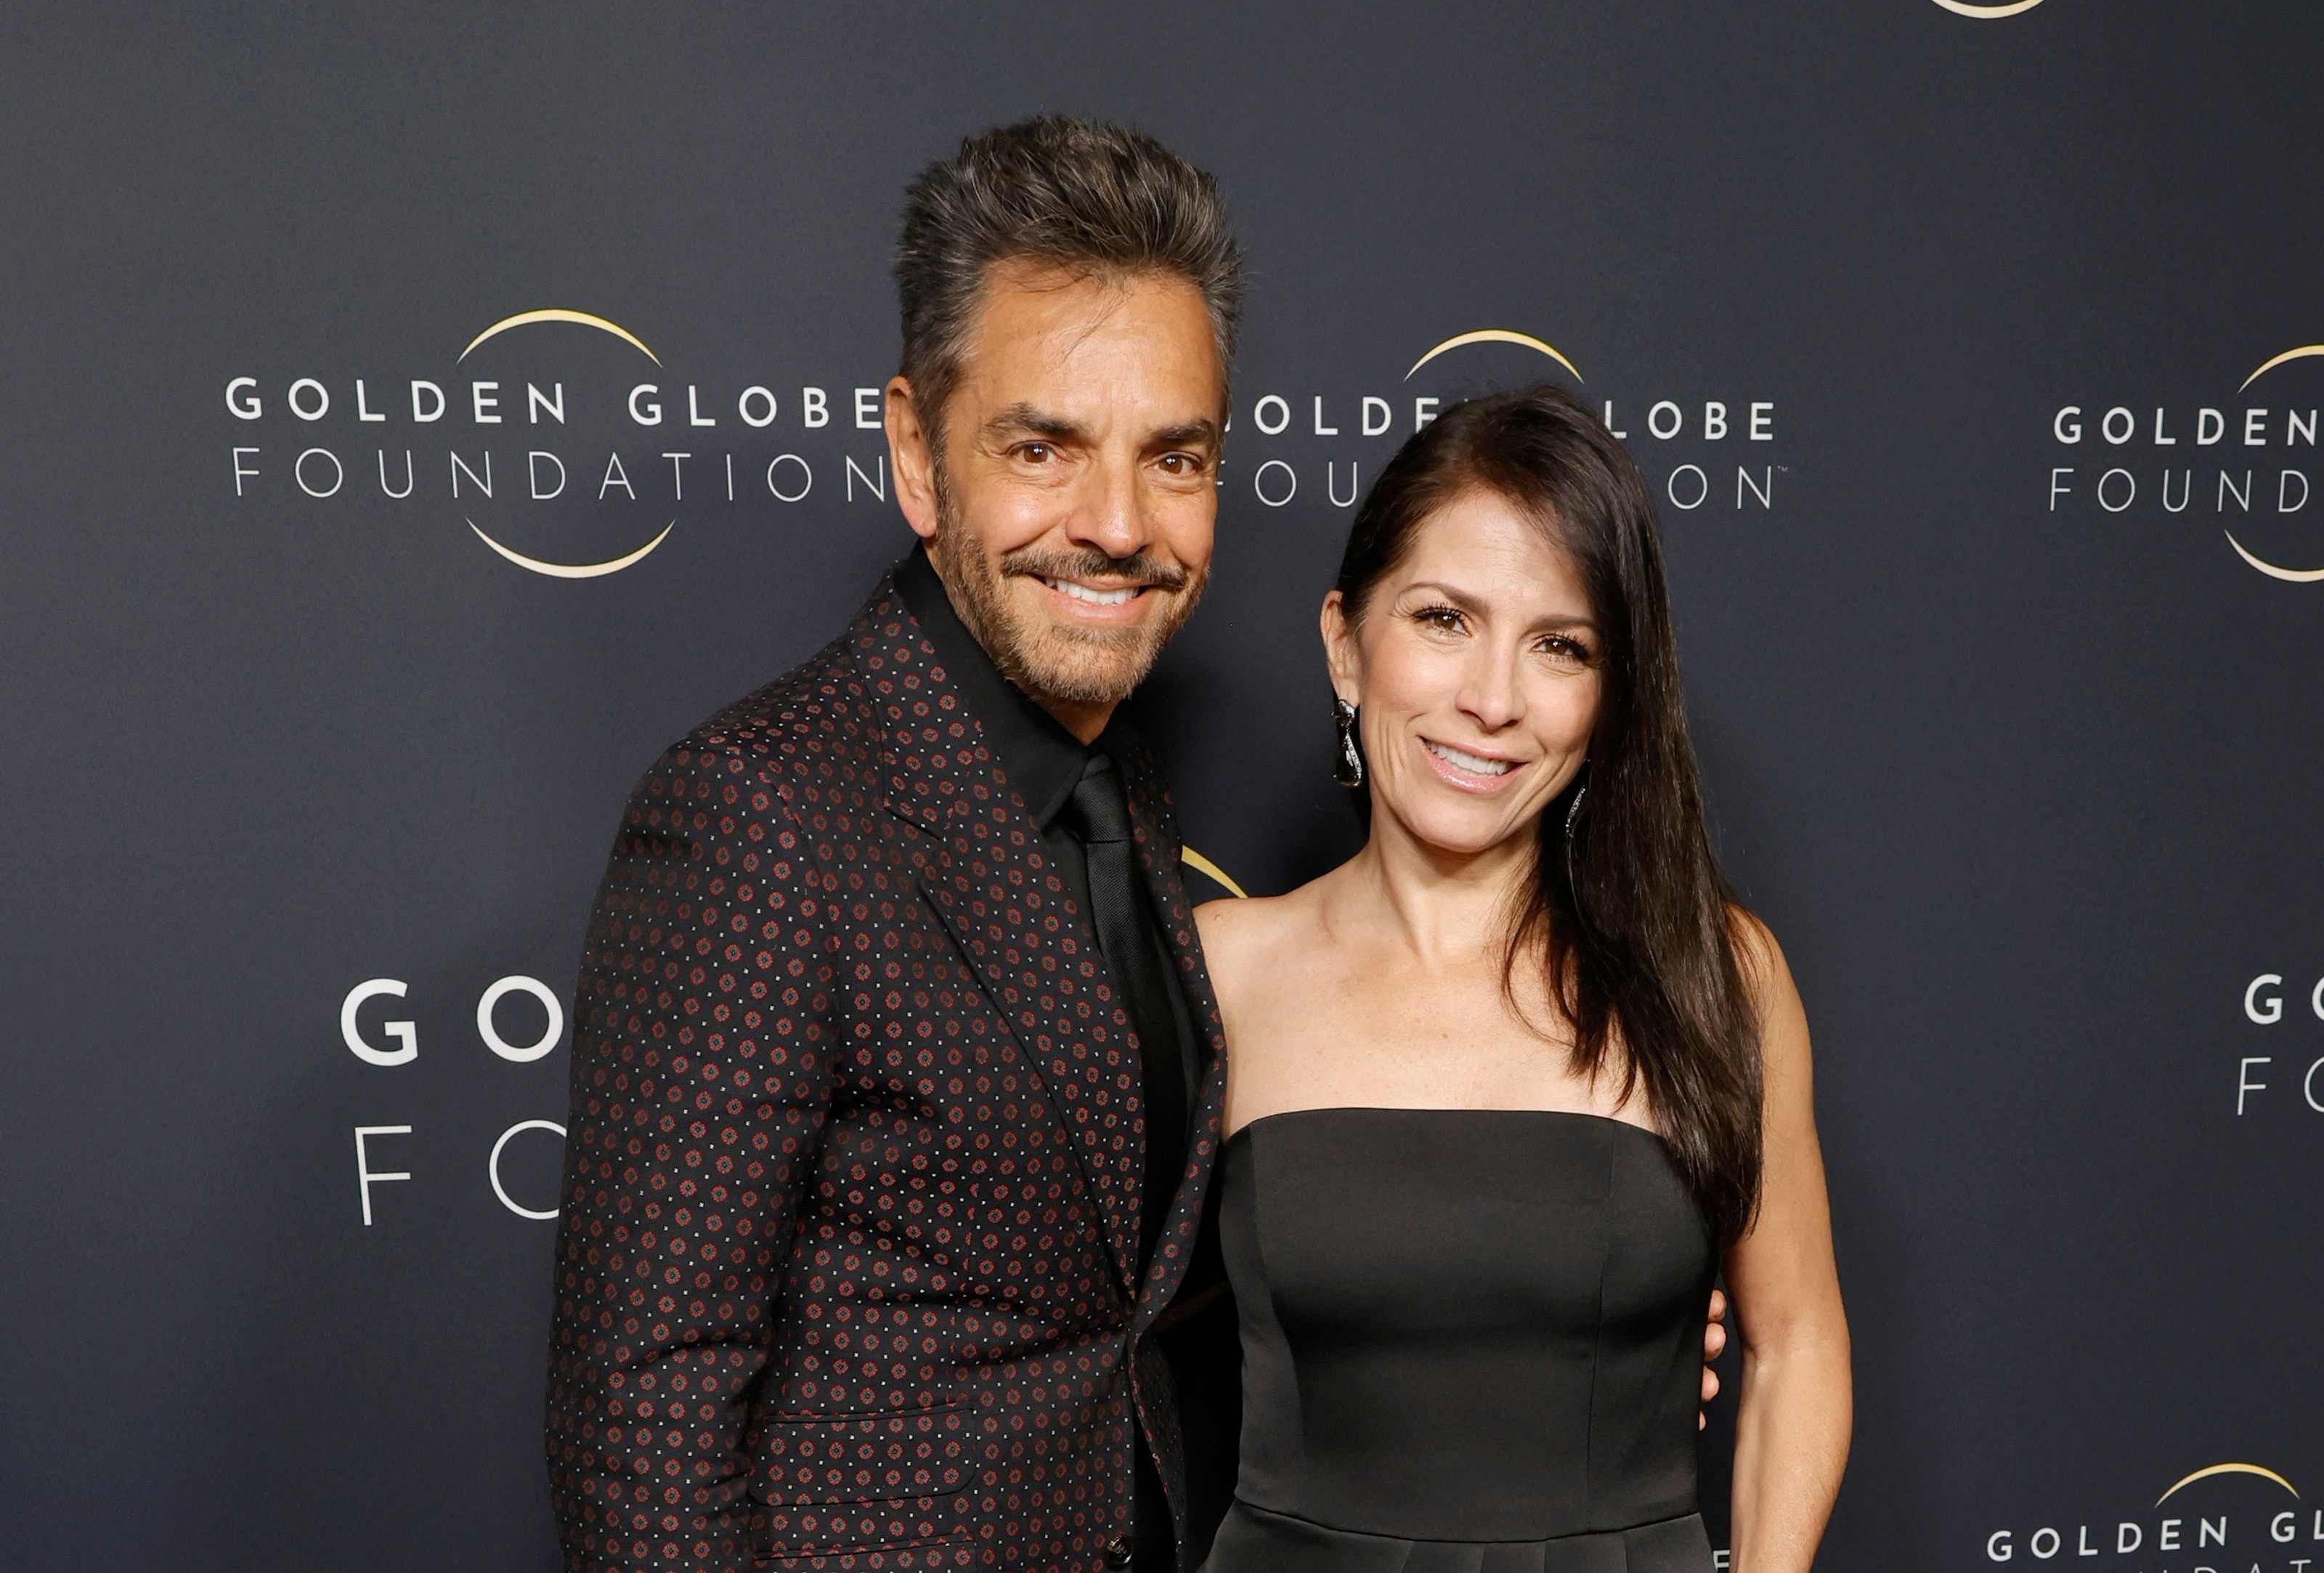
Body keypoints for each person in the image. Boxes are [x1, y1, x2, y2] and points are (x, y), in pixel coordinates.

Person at [544, 117, 1723, 1573]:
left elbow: (1128, 1266)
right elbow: (645, 1426)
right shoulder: (762, 814)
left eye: (1175, 458)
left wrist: (1574, 1303)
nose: (1117, 525)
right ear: (918, 452)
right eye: (1042, 447)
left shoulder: (1120, 798)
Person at [1193, 386, 1851, 1570]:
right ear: (1346, 643)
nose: (1492, 700)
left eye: (1559, 646)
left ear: (1607, 700)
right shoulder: (1217, 971)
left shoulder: (1715, 973)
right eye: (1444, 619)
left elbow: (1798, 1341)